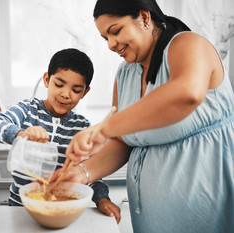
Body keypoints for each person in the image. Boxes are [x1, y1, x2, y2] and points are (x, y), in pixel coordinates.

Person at [52, 1, 234, 233]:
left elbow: (187, 93)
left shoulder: (189, 44)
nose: (110, 44)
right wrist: (82, 172)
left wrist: (105, 127)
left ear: (145, 18)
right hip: (150, 218)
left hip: (204, 209)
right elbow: (122, 140)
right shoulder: (125, 73)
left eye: (115, 31)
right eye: (105, 38)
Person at [0, 48, 121, 223]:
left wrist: (102, 199)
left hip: (61, 211)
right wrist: (20, 133)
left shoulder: (82, 127)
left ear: (85, 92)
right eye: (59, 84)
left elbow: (90, 173)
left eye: (76, 89)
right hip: (20, 209)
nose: (65, 94)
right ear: (47, 80)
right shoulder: (28, 110)